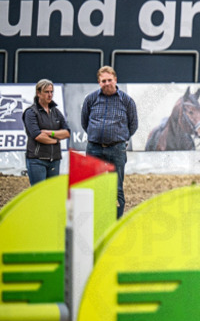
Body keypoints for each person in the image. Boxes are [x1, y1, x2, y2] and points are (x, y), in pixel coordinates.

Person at [81, 66, 138, 218]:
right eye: (103, 81)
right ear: (99, 82)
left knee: (116, 187)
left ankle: (116, 222)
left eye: (109, 80)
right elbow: (84, 122)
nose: (107, 83)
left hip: (116, 149)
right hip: (94, 148)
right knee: (93, 185)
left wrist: (120, 138)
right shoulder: (91, 99)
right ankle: (96, 219)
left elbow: (133, 124)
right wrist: (96, 135)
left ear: (115, 80)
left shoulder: (127, 101)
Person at [22, 79, 70, 185]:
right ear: (38, 93)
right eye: (46, 92)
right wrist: (56, 141)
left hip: (55, 160)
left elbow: (67, 133)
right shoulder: (31, 112)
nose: (50, 95)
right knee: (39, 192)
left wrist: (50, 133)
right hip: (37, 159)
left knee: (52, 192)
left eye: (51, 92)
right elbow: (37, 136)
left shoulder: (56, 112)